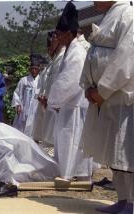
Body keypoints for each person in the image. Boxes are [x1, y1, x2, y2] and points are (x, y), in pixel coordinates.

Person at [80, 2, 134, 214]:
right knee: (114, 153)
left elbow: (126, 59)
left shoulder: (128, 14)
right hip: (107, 99)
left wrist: (102, 90)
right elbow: (93, 54)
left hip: (123, 97)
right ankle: (123, 198)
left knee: (127, 153)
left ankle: (132, 202)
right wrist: (88, 85)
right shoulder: (111, 15)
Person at [47, 2, 92, 182]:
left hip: (73, 105)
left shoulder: (77, 53)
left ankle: (72, 173)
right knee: (67, 141)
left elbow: (69, 81)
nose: (57, 38)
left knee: (72, 140)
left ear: (68, 33)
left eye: (58, 34)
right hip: (68, 105)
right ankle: (69, 171)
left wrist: (54, 100)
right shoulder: (69, 51)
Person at [41, 32, 65, 145]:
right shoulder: (54, 60)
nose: (49, 48)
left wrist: (52, 99)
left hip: (59, 104)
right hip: (49, 102)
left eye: (54, 39)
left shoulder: (64, 56)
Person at [11, 54, 40, 136]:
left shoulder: (42, 80)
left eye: (36, 69)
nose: (34, 71)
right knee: (22, 127)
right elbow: (17, 93)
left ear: (39, 69)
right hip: (24, 107)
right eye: (32, 69)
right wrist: (18, 104)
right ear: (29, 69)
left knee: (34, 127)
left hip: (36, 107)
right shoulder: (24, 80)